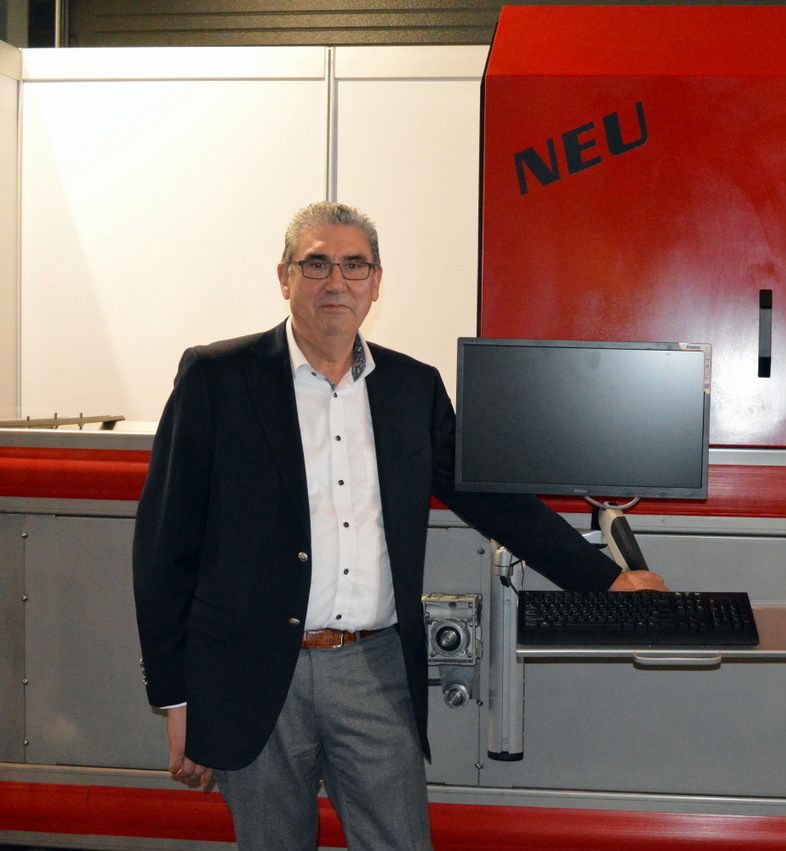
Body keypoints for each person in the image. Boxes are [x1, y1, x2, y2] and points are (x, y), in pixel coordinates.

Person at [132, 201, 667, 850]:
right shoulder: (217, 378)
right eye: (316, 264)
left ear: (376, 281)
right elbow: (163, 547)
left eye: (354, 265)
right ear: (284, 276)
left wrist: (606, 582)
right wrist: (178, 700)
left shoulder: (412, 388)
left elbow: (493, 503)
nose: (336, 282)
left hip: (375, 668)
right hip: (250, 674)